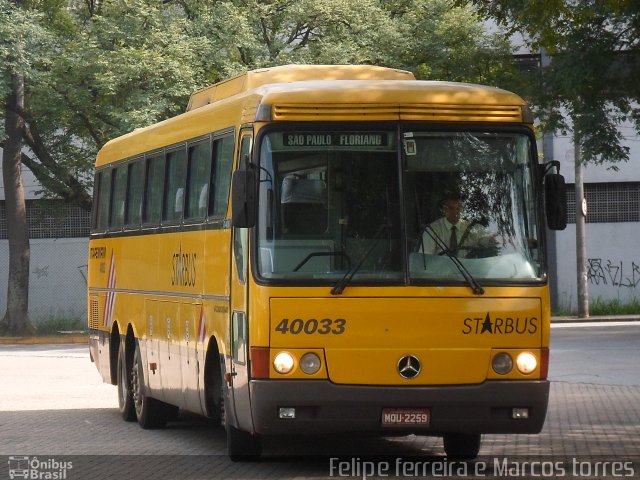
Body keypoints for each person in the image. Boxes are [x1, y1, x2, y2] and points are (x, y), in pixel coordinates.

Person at [420, 195, 495, 257]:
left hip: (468, 272)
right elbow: (425, 259)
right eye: (451, 208)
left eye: (458, 209)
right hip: (440, 273)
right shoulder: (433, 229)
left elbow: (489, 238)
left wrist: (493, 239)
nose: (455, 212)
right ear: (444, 209)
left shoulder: (472, 228)